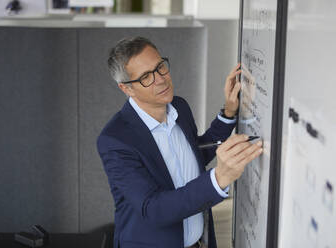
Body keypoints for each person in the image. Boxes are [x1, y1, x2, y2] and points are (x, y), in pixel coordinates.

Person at [97, 37, 263, 248]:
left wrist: (229, 112)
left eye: (160, 67)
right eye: (146, 77)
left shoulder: (179, 106)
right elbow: (153, 208)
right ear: (127, 89)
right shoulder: (115, 139)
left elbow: (195, 155)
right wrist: (219, 178)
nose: (160, 79)